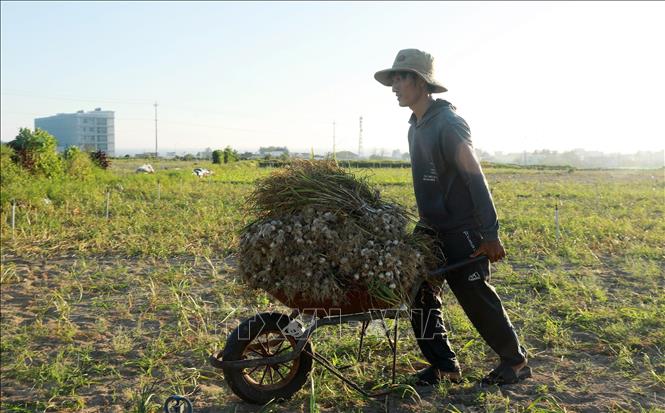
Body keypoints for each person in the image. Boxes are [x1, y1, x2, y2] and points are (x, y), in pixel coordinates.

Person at [374, 49, 531, 386]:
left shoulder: (448, 123)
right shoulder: (415, 126)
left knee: (475, 297)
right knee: (417, 289)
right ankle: (444, 366)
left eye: (400, 78)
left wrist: (490, 233)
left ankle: (515, 363)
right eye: (393, 79)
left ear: (420, 81)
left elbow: (474, 177)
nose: (394, 86)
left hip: (463, 229)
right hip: (432, 227)